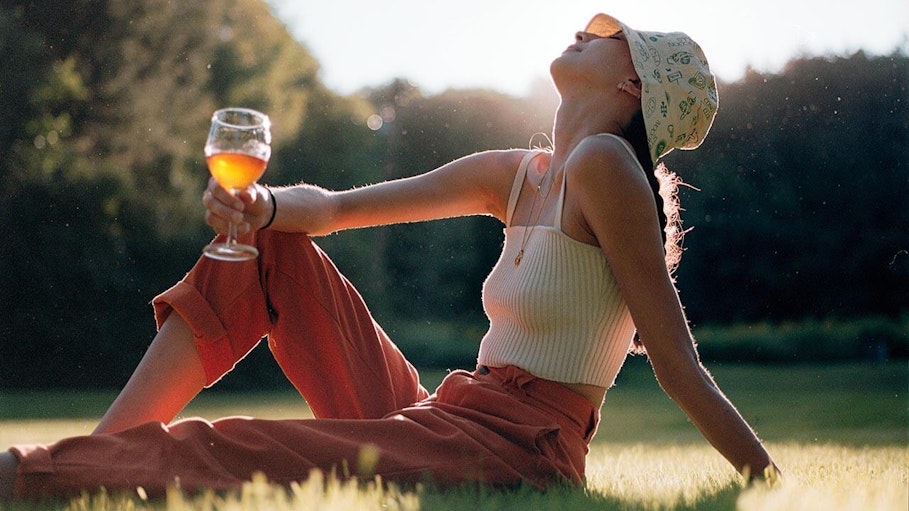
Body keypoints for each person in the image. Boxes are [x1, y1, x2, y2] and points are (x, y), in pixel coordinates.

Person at [0, 13, 779, 501]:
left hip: (513, 449)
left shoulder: (607, 165)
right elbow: (338, 209)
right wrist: (262, 207)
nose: (591, 29)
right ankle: (84, 468)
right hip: (448, 412)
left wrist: (766, 481)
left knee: (242, 449)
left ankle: (34, 475)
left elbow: (676, 362)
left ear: (635, 84)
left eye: (616, 40)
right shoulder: (522, 171)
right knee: (269, 248)